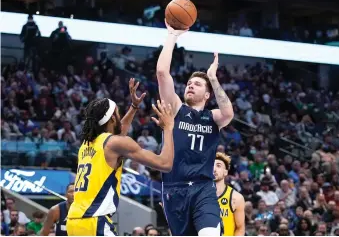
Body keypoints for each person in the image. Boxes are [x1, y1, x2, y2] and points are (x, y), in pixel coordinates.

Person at [66, 78, 175, 236]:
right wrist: (169, 128)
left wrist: (134, 107)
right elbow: (165, 163)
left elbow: (116, 134)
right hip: (95, 221)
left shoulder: (87, 144)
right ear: (111, 119)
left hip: (74, 221)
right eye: (117, 113)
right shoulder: (114, 143)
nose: (119, 116)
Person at [156, 20, 234, 235]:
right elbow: (162, 73)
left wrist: (212, 78)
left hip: (203, 188)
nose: (190, 85)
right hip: (174, 189)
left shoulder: (213, 117)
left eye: (197, 84)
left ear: (207, 95)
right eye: (189, 83)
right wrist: (172, 36)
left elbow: (228, 113)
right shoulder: (176, 109)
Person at [214, 152, 245, 236]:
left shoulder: (236, 198)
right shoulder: (199, 195)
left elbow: (240, 228)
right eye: (211, 166)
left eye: (218, 166)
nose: (214, 169)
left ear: (225, 172)